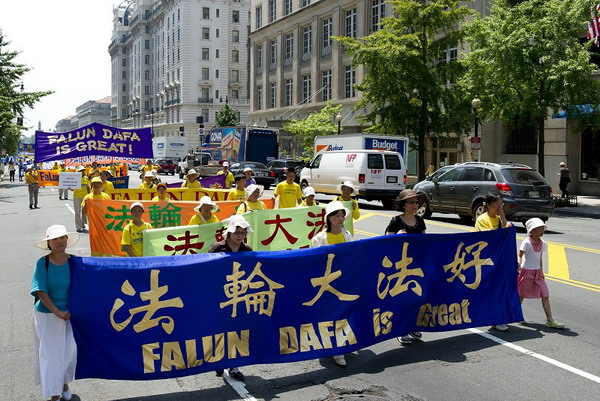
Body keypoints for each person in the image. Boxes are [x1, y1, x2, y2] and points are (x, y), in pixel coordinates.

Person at [32, 224, 79, 401]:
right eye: (55, 239)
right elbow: (40, 291)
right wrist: (57, 311)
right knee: (51, 355)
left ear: (67, 240)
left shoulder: (74, 261)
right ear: (49, 243)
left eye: (62, 238)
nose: (59, 241)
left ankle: (64, 383)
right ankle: (54, 393)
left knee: (69, 352)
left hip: (70, 315)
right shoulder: (43, 263)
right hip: (47, 314)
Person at [209, 215, 254, 381]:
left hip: (240, 298)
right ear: (229, 232)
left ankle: (234, 366)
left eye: (243, 232)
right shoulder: (216, 248)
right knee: (219, 330)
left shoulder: (247, 250)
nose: (240, 235)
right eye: (237, 232)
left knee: (237, 330)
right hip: (220, 298)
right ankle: (219, 361)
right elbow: (206, 270)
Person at [311, 201, 353, 367]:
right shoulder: (319, 238)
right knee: (330, 314)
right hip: (327, 282)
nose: (340, 218)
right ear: (328, 218)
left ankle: (340, 344)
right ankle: (335, 349)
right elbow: (315, 261)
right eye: (336, 215)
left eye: (342, 215)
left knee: (344, 312)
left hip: (344, 279)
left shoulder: (347, 234)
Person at [385, 189, 427, 345]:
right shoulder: (396, 221)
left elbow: (425, 242)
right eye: (410, 202)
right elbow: (385, 244)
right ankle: (401, 329)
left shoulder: (420, 221)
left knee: (416, 297)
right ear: (403, 205)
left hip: (416, 265)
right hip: (400, 267)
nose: (414, 205)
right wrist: (397, 237)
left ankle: (412, 325)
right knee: (401, 298)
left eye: (416, 202)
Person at [475, 193, 513, 332]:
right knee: (490, 291)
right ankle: (493, 317)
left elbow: (506, 231)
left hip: (499, 260)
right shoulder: (482, 219)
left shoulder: (499, 219)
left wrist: (503, 215)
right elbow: (490, 238)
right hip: (486, 261)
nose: (499, 206)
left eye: (501, 203)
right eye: (497, 203)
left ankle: (497, 318)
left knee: (500, 290)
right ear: (489, 205)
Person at [518, 218, 565, 329]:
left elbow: (540, 258)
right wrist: (519, 265)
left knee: (545, 294)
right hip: (527, 272)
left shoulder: (543, 243)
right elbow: (520, 255)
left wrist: (541, 271)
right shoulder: (526, 243)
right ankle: (516, 314)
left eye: (542, 228)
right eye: (539, 229)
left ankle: (550, 320)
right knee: (521, 295)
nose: (541, 231)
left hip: (537, 273)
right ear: (532, 230)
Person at [70, 167, 90, 233]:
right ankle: (78, 227)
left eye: (83, 170)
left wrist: (89, 195)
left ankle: (83, 223)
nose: (82, 172)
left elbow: (88, 187)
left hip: (84, 196)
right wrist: (68, 187)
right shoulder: (74, 179)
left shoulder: (86, 178)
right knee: (77, 212)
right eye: (81, 171)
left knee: (84, 211)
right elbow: (72, 189)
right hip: (77, 196)